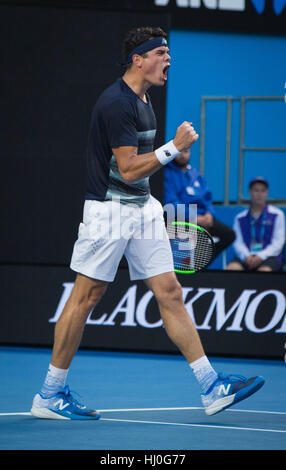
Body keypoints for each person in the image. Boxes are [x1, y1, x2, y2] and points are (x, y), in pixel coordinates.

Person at [31, 26, 264, 420]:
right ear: (138, 59)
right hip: (108, 211)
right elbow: (127, 167)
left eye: (168, 53)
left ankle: (211, 387)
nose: (167, 59)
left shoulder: (144, 98)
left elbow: (138, 173)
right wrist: (175, 147)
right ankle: (50, 394)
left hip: (142, 208)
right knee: (86, 296)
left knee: (170, 290)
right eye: (160, 52)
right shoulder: (117, 103)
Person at [164, 148, 235, 261]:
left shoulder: (194, 173)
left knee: (229, 235)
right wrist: (194, 217)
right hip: (181, 219)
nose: (183, 155)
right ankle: (194, 266)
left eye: (186, 152)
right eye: (179, 152)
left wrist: (209, 214)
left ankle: (201, 262)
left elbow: (207, 198)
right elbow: (171, 203)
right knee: (201, 234)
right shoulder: (167, 174)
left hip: (203, 217)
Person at [227, 177, 285, 272]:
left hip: (270, 257)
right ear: (250, 192)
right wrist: (247, 256)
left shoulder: (277, 214)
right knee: (231, 269)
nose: (259, 194)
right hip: (246, 257)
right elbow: (238, 242)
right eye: (256, 190)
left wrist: (260, 256)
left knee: (264, 271)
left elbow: (278, 242)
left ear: (267, 193)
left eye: (262, 190)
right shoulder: (240, 217)